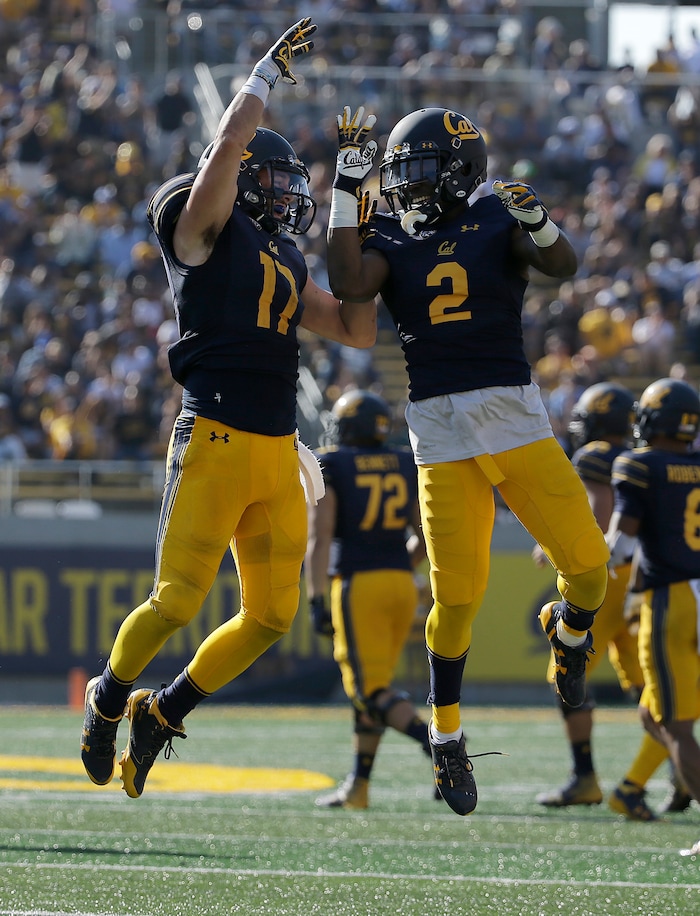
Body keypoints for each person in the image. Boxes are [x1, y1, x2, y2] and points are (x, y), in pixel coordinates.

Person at [79, 17, 377, 799]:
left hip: (277, 449)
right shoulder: (202, 231)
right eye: (275, 181)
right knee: (176, 599)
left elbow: (354, 327)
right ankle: (108, 696)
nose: (287, 195)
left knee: (273, 615)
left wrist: (351, 200)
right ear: (242, 179)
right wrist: (264, 77)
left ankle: (164, 709)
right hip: (211, 433)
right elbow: (222, 151)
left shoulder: (283, 252)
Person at [325, 106, 610, 815]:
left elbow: (562, 264)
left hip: (512, 417)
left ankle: (568, 634)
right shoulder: (389, 231)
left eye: (418, 171)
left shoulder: (493, 219)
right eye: (400, 174)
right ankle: (447, 741)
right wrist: (345, 187)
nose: (406, 186)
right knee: (456, 601)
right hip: (440, 433)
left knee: (591, 569)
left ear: (458, 171)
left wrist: (539, 219)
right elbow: (352, 284)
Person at [534, 381, 671, 820]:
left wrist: (556, 544)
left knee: (564, 673)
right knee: (647, 687)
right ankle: (676, 776)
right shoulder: (648, 458)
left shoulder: (594, 456)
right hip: (647, 576)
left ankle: (586, 776)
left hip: (608, 579)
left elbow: (599, 514)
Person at [305, 388, 434, 809]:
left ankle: (438, 743)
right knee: (375, 686)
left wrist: (316, 598)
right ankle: (359, 786)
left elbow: (319, 537)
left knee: (367, 691)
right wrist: (401, 565)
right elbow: (425, 535)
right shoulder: (401, 461)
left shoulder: (333, 461)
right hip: (400, 584)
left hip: (358, 585)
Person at [606, 378, 700, 849]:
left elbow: (621, 545)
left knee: (676, 726)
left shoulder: (638, 465)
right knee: (655, 715)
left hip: (673, 598)